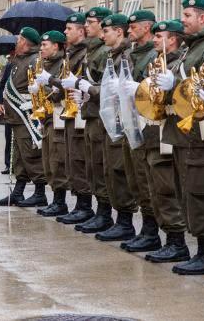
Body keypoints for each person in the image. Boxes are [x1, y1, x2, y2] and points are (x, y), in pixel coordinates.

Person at [154, 0, 204, 276]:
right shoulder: (192, 48)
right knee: (187, 192)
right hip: (184, 133)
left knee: (200, 193)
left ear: (202, 18)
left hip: (199, 133)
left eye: (187, 15)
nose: (182, 20)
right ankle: (201, 251)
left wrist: (175, 83)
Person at [81, 13, 136, 242]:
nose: (103, 35)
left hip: (120, 121)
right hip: (106, 117)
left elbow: (120, 90)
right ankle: (106, 214)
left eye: (106, 31)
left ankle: (124, 221)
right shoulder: (112, 54)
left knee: (119, 171)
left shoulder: (125, 55)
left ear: (119, 32)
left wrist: (88, 88)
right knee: (105, 169)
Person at [141, 21, 191, 264]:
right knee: (156, 189)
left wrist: (173, 85)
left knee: (166, 188)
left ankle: (177, 242)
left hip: (172, 129)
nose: (153, 39)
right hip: (154, 129)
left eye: (158, 36)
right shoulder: (159, 61)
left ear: (172, 40)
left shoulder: (179, 63)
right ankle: (167, 238)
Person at [117, 10, 162, 252]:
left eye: (134, 27)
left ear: (146, 28)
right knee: (135, 180)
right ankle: (146, 229)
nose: (129, 30)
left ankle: (151, 231)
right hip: (130, 121)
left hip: (147, 122)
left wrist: (138, 88)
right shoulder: (131, 54)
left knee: (146, 181)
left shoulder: (153, 55)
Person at [69, 7, 113, 231]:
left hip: (100, 116)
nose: (86, 26)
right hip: (90, 113)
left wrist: (88, 89)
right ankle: (98, 211)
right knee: (92, 166)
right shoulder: (92, 50)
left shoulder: (103, 51)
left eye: (90, 22)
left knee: (101, 165)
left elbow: (106, 86)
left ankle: (104, 213)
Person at [0, 27, 45, 207]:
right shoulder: (19, 60)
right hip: (15, 117)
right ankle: (18, 192)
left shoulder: (34, 60)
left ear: (24, 42)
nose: (16, 42)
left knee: (31, 155)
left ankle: (40, 193)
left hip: (26, 117)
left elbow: (39, 89)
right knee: (19, 157)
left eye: (19, 39)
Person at [55, 13, 92, 225]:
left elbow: (85, 81)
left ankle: (85, 205)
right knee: (71, 159)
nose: (65, 32)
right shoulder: (71, 54)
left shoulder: (84, 53)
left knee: (79, 159)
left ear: (81, 31)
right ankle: (79, 203)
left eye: (70, 28)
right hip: (71, 110)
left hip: (81, 111)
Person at [32, 30, 68, 216]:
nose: (41, 48)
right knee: (47, 161)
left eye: (45, 45)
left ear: (56, 46)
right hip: (46, 117)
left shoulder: (62, 64)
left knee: (57, 160)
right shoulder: (44, 64)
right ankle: (55, 198)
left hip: (58, 116)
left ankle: (60, 201)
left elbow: (61, 91)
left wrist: (44, 86)